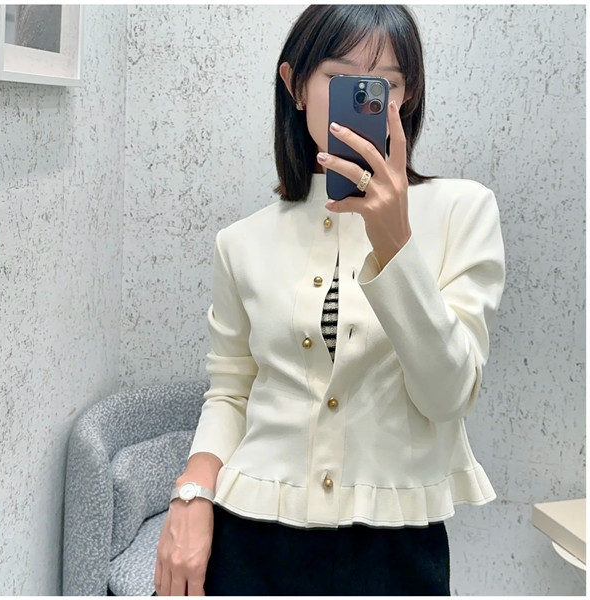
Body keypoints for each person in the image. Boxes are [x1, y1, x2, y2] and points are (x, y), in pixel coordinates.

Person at [154, 4, 506, 596]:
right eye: (342, 81)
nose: (364, 103)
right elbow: (232, 390)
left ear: (407, 96)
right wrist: (191, 495)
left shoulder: (463, 213)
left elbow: (446, 397)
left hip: (396, 549)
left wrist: (395, 245)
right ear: (295, 86)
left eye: (385, 85)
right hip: (253, 542)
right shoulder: (241, 242)